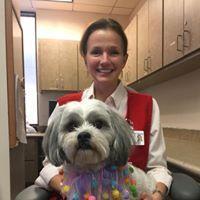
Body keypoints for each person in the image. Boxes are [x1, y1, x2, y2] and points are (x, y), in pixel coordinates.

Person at [35, 18, 172, 200]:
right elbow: (49, 163)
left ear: (124, 60)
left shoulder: (147, 105)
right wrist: (68, 188)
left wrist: (157, 195)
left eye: (114, 52)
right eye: (96, 52)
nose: (105, 60)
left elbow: (157, 167)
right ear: (85, 58)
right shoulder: (65, 105)